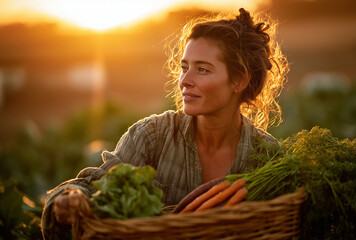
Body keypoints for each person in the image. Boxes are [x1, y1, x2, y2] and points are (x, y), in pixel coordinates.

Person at [41, 8, 288, 239]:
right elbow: (95, 185)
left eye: (202, 70)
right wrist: (67, 200)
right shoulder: (152, 135)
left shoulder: (267, 157)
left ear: (239, 81)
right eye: (184, 67)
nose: (185, 81)